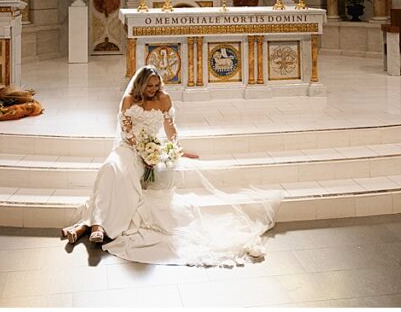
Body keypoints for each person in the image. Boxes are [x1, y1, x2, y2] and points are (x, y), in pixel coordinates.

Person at [60, 65, 281, 265]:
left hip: (149, 151)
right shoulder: (129, 100)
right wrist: (141, 150)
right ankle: (96, 226)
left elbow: (169, 128)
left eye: (156, 85)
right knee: (111, 167)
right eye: (149, 86)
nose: (153, 90)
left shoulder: (164, 99)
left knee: (124, 176)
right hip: (128, 148)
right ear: (140, 84)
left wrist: (174, 149)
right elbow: (127, 132)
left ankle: (90, 226)